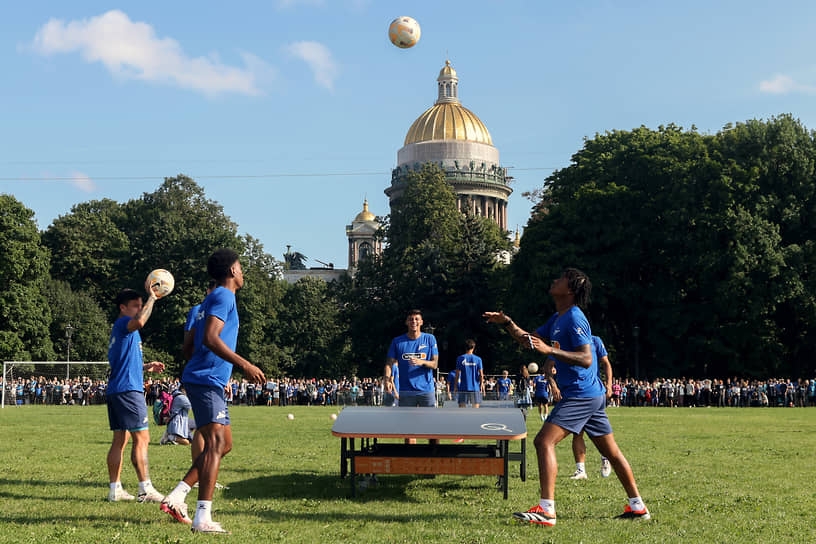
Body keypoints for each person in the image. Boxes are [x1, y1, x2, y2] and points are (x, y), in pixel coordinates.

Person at [484, 267, 649, 526]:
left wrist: (549, 349)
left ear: (570, 290)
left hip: (581, 395)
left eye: (560, 279)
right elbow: (530, 341)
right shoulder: (557, 318)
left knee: (543, 442)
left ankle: (547, 510)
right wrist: (508, 323)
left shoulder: (574, 318)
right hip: (589, 395)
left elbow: (586, 358)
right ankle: (638, 506)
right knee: (613, 454)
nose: (554, 279)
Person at [161, 248, 266, 534]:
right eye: (241, 267)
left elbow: (189, 346)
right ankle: (202, 518)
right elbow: (209, 338)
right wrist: (244, 364)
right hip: (206, 380)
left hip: (207, 379)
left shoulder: (209, 300)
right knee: (216, 444)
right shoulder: (223, 295)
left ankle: (178, 495)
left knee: (224, 445)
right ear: (232, 270)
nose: (243, 273)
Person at [106, 285, 166, 503]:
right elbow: (140, 321)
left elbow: (123, 361)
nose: (140, 309)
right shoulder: (125, 323)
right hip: (128, 391)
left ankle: (115, 489)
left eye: (141, 305)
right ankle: (145, 489)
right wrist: (152, 298)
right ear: (123, 308)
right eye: (135, 306)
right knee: (142, 438)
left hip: (117, 389)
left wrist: (146, 366)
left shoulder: (123, 329)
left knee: (119, 440)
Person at [569, 335, 613, 479]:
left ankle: (605, 457)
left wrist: (609, 384)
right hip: (576, 393)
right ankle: (581, 470)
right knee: (578, 433)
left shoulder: (595, 340)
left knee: (600, 435)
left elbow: (606, 363)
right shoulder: (568, 341)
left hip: (594, 392)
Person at [384, 309, 439, 407]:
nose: (414, 322)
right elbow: (389, 364)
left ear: (421, 322)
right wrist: (387, 380)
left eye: (417, 319)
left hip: (426, 391)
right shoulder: (397, 341)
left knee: (430, 422)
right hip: (406, 392)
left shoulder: (430, 339)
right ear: (406, 322)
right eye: (411, 319)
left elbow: (434, 364)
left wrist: (421, 362)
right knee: (406, 422)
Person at [454, 339, 484, 408]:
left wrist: (455, 386)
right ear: (473, 347)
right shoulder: (478, 359)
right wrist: (481, 385)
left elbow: (457, 374)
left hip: (463, 387)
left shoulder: (460, 358)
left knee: (462, 410)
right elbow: (481, 375)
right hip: (475, 387)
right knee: (475, 410)